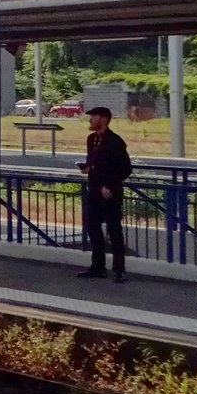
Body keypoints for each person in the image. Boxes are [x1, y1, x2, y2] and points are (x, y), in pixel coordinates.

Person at [75, 106, 132, 283]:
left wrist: (109, 185)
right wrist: (86, 167)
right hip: (94, 191)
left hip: (109, 193)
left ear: (104, 119)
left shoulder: (115, 141)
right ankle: (98, 267)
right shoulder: (92, 139)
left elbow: (125, 168)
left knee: (114, 231)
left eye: (94, 116)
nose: (90, 120)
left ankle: (119, 269)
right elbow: (95, 163)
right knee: (93, 227)